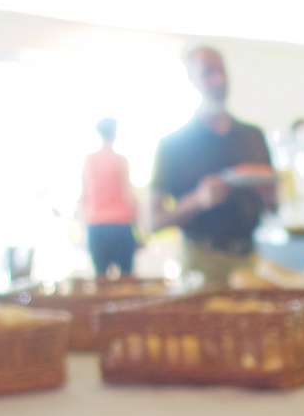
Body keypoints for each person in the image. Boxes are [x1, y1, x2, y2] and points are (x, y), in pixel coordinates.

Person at [148, 46, 275, 286]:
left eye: (221, 71)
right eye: (208, 73)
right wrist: (198, 200)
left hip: (249, 261)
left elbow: (273, 207)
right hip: (201, 263)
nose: (218, 80)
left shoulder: (253, 137)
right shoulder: (173, 145)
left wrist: (268, 195)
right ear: (191, 81)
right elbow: (153, 221)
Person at [80, 118, 139, 278]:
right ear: (115, 133)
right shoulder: (120, 161)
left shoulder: (89, 161)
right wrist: (138, 230)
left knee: (100, 279)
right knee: (127, 279)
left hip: (96, 225)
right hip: (121, 225)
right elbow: (129, 196)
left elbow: (84, 197)